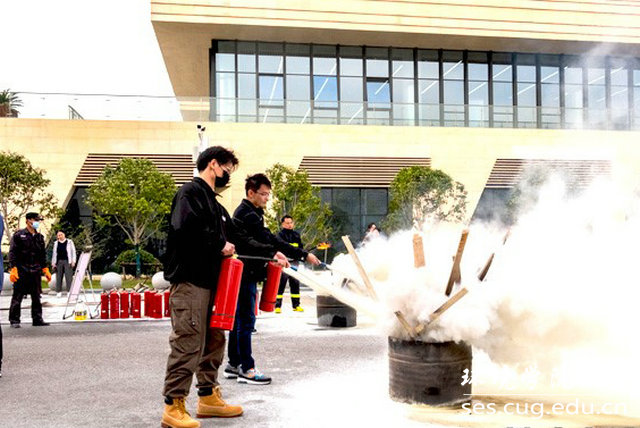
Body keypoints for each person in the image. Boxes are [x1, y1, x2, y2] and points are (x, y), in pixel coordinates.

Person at [161, 146, 289, 428]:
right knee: (188, 341)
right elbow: (185, 227)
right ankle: (173, 404)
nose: (228, 176)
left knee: (215, 339)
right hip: (190, 282)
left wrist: (272, 253)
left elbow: (239, 237)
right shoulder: (190, 193)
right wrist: (219, 244)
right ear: (213, 164)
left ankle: (208, 396)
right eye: (227, 169)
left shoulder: (216, 206)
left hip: (212, 284)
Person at [225, 174, 320, 385]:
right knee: (246, 320)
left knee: (239, 319)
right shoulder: (248, 214)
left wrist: (284, 253)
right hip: (245, 272)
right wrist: (285, 253)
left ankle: (233, 363)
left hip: (245, 271)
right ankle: (247, 369)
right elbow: (254, 243)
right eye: (264, 194)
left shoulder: (250, 212)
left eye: (268, 194)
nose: (267, 198)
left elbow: (266, 240)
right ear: (251, 193)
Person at [8, 212, 51, 328]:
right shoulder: (19, 235)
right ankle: (14, 320)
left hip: (35, 270)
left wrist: (45, 268)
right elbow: (12, 252)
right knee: (18, 296)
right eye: (35, 220)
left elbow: (42, 254)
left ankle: (37, 319)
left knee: (36, 296)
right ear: (28, 220)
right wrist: (13, 268)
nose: (37, 222)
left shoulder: (39, 237)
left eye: (38, 220)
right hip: (22, 270)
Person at [275, 215, 305, 313]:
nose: (290, 225)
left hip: (295, 262)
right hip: (284, 263)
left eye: (291, 223)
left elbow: (300, 248)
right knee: (281, 284)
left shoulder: (296, 235)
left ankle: (296, 305)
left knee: (295, 283)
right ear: (283, 224)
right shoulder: (280, 236)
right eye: (287, 223)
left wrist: (301, 255)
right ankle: (277, 306)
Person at [51, 230, 77, 297]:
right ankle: (58, 291)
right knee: (58, 277)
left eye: (61, 234)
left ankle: (69, 291)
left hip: (67, 261)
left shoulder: (69, 242)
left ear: (64, 234)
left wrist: (73, 261)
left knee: (69, 277)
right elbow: (54, 254)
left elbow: (73, 252)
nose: (59, 236)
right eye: (58, 235)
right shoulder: (56, 243)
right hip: (58, 262)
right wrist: (53, 263)